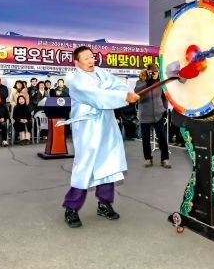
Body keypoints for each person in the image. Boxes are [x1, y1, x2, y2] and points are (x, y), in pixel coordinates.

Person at [59, 46, 140, 228]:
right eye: (86, 58)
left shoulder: (100, 73)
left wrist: (127, 93)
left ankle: (104, 203)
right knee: (85, 166)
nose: (91, 61)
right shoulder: (76, 81)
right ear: (76, 62)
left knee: (108, 163)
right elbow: (96, 96)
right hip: (88, 127)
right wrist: (123, 96)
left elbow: (117, 84)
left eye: (92, 57)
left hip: (107, 124)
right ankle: (71, 208)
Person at [135, 64, 170, 168]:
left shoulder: (160, 83)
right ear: (148, 72)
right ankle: (148, 159)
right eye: (152, 72)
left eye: (156, 72)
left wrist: (164, 108)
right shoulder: (140, 82)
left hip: (158, 115)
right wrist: (147, 83)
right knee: (145, 139)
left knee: (162, 138)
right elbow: (136, 91)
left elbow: (164, 97)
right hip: (145, 116)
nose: (154, 74)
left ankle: (165, 159)